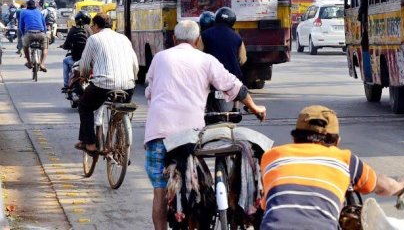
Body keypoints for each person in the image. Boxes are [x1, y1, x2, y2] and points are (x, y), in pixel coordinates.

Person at [144, 19, 266, 230]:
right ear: (198, 40)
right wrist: (255, 108)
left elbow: (150, 92)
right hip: (189, 135)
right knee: (195, 183)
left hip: (158, 133)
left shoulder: (159, 58)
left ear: (174, 39)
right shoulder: (206, 60)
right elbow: (234, 86)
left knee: (159, 192)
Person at [260, 105, 404, 230]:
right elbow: (383, 186)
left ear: (294, 138)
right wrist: (402, 185)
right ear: (337, 141)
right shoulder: (345, 160)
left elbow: (265, 203)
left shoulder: (272, 156)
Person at [75, 14, 138, 155]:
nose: (91, 29)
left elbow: (84, 64)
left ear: (96, 26)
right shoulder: (124, 39)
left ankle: (90, 144)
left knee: (85, 107)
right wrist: (132, 79)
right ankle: (117, 136)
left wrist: (83, 77)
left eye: (92, 26)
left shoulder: (94, 39)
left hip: (103, 85)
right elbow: (134, 63)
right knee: (121, 109)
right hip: (128, 85)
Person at [201, 7, 247, 113]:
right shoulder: (237, 37)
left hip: (211, 76)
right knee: (238, 82)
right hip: (231, 74)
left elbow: (198, 54)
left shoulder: (204, 35)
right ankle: (236, 107)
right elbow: (243, 60)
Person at [61, 12, 91, 92]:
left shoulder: (73, 30)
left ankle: (66, 85)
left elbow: (66, 45)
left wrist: (64, 46)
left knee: (65, 61)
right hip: (89, 62)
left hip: (75, 60)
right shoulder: (90, 30)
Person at [20, 0, 48, 71]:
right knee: (45, 48)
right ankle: (42, 64)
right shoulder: (39, 11)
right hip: (41, 33)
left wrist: (23, 34)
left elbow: (21, 26)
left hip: (29, 34)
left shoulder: (23, 12)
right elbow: (44, 24)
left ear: (27, 6)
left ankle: (29, 62)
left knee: (25, 47)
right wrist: (45, 33)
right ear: (35, 5)